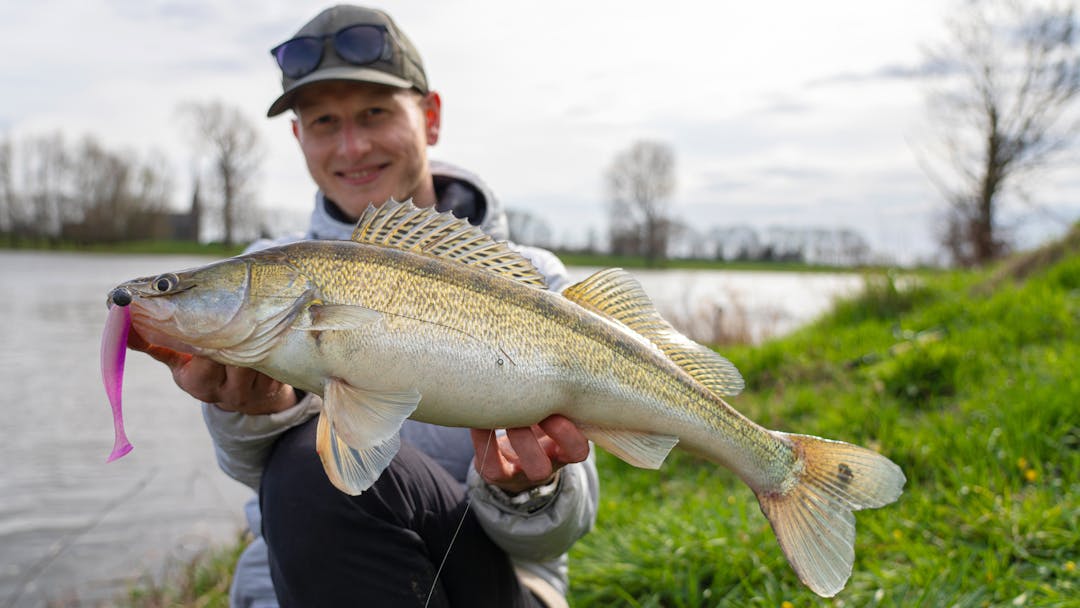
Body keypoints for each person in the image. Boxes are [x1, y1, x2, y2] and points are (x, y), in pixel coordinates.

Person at [131, 5, 598, 607]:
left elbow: (555, 539)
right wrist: (254, 413)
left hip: (493, 584)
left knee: (314, 467)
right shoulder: (265, 270)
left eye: (375, 113)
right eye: (324, 121)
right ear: (299, 138)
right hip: (312, 584)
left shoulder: (534, 281)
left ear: (430, 118)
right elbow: (269, 486)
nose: (351, 146)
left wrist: (527, 491)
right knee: (307, 469)